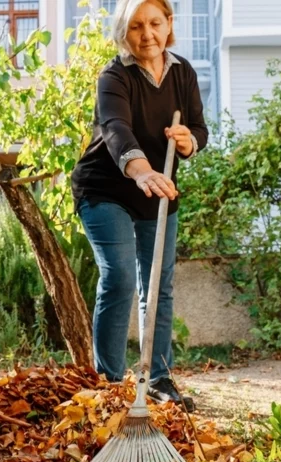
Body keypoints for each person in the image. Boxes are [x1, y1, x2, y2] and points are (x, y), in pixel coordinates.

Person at [72, 0, 208, 411]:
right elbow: (115, 130)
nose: (146, 34)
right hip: (107, 187)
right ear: (124, 33)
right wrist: (141, 170)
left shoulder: (183, 73)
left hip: (159, 189)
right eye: (136, 26)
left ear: (169, 25)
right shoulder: (114, 76)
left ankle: (158, 378)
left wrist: (191, 142)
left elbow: (198, 127)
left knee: (158, 285)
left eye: (154, 23)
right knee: (120, 277)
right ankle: (110, 382)